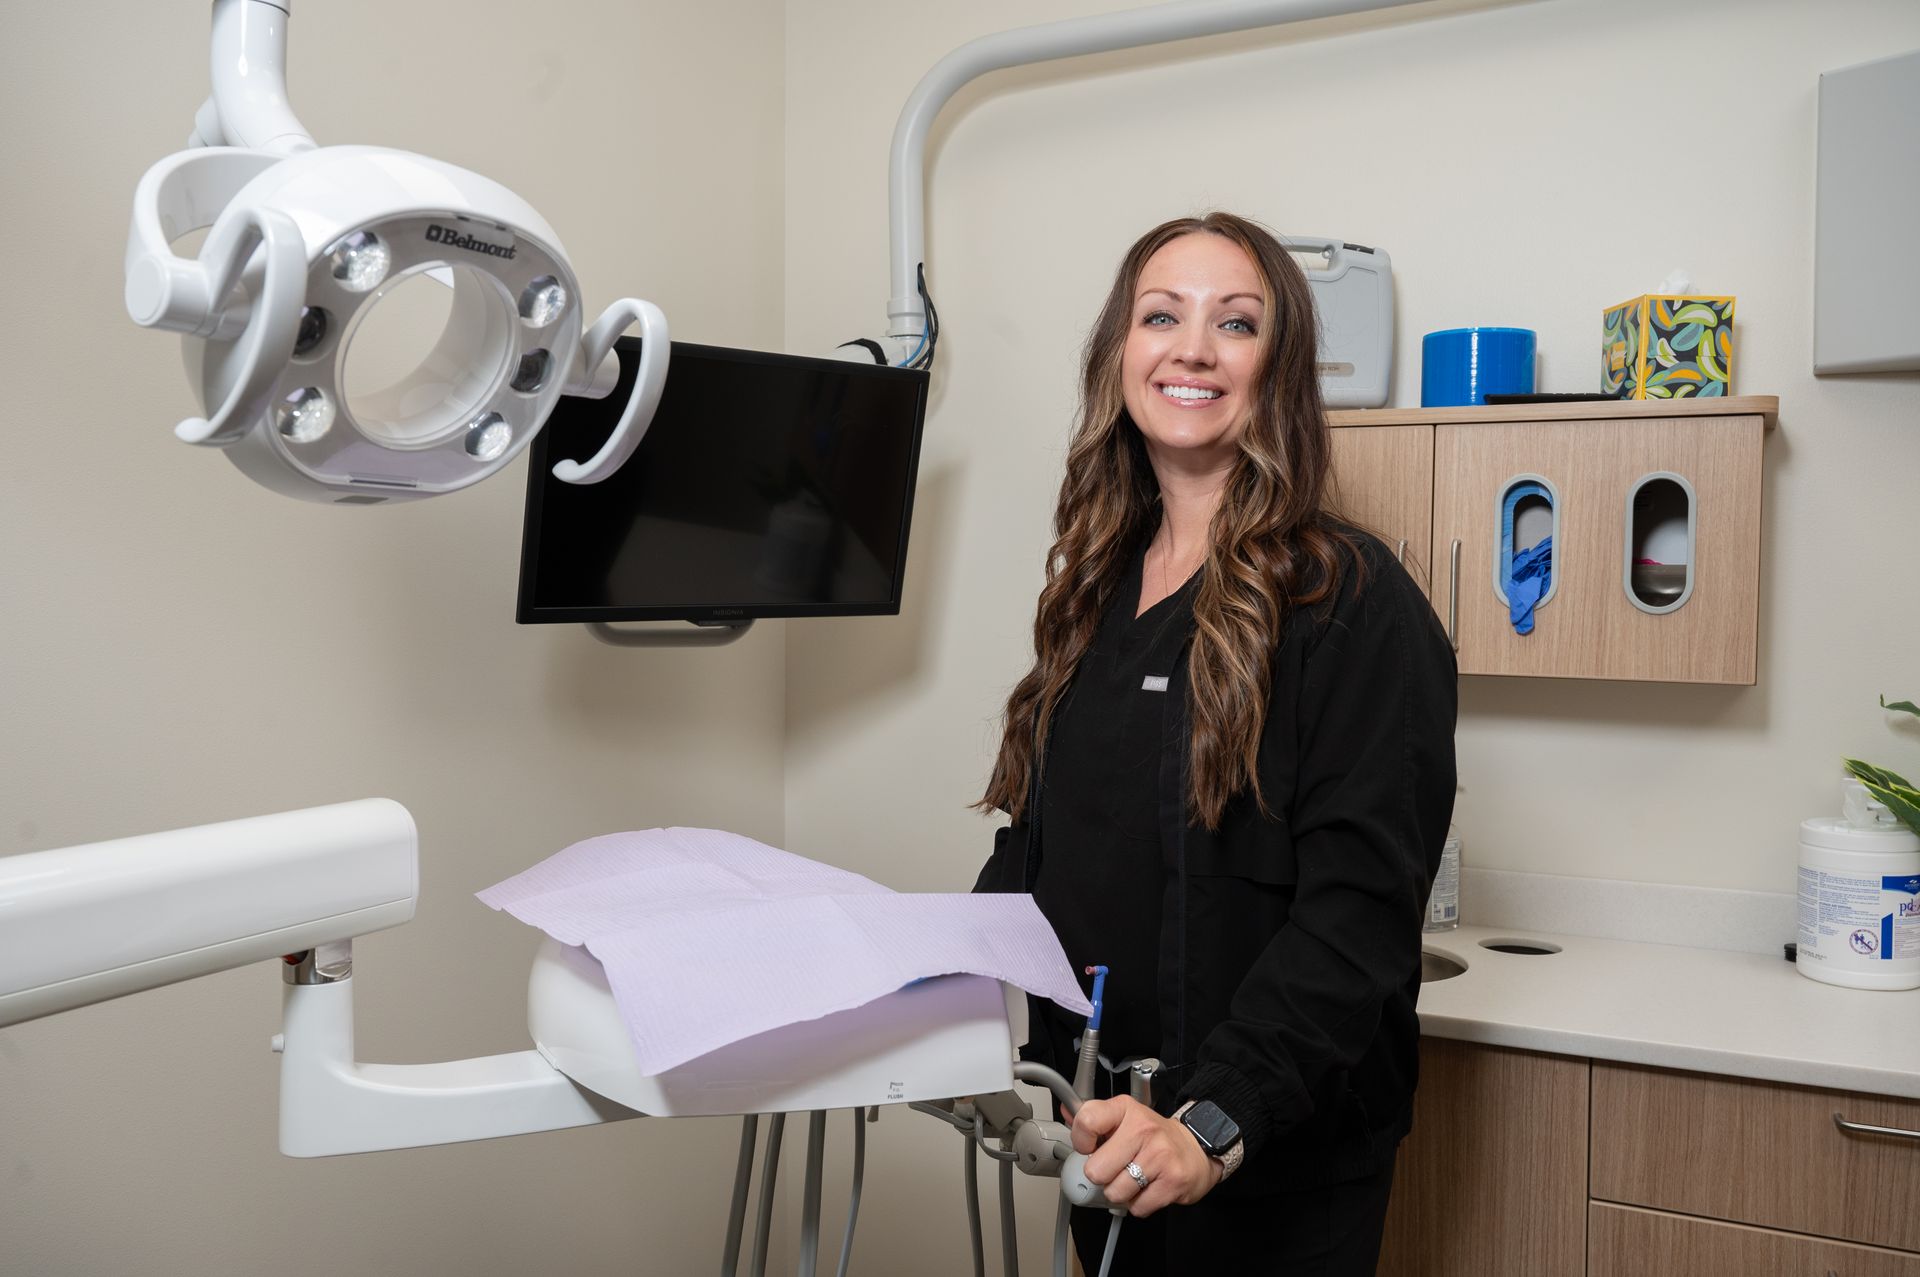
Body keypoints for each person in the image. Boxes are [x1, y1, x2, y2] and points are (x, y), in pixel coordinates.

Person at [972, 212, 1457, 1275]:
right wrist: (914, 982)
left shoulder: (1351, 602)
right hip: (1109, 1134)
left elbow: (1361, 915)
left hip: (1266, 1156)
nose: (1191, 347)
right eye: (1161, 315)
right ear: (1120, 356)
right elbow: (1046, 851)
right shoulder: (1095, 587)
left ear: (1275, 371)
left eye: (1234, 323)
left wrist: (1214, 1121)